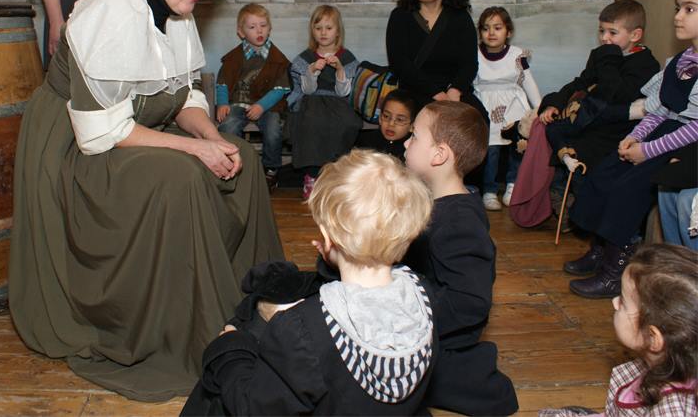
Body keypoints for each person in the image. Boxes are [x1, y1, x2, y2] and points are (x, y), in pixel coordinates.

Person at [9, 0, 284, 401]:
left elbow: (184, 100)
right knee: (180, 175)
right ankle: (198, 330)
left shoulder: (176, 11)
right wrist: (193, 148)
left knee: (238, 154)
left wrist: (212, 138)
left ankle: (253, 302)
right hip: (75, 147)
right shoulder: (110, 11)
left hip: (135, 130)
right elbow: (101, 133)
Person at [181, 150, 436, 416]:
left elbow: (254, 408)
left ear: (326, 238)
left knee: (215, 384)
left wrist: (231, 349)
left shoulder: (303, 329)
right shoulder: (423, 294)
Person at [567, 0, 698, 299]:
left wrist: (648, 150)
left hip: (686, 142)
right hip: (661, 132)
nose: (677, 17)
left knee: (629, 187)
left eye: (689, 9)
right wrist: (633, 139)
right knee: (605, 171)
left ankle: (617, 268)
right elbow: (658, 110)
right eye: (677, 8)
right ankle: (600, 248)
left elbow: (694, 127)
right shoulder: (679, 62)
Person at [402, 101, 519, 416]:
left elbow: (469, 301)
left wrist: (405, 317)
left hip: (440, 336)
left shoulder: (458, 223)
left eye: (413, 136)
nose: (405, 142)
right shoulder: (438, 202)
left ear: (439, 155)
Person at [540, 244, 697, 416]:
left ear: (653, 338)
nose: (615, 302)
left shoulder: (668, 410)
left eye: (623, 302)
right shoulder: (669, 365)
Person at [538, 0, 659, 219]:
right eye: (602, 31)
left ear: (635, 35)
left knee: (585, 153)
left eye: (612, 32)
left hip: (619, 128)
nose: (605, 38)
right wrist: (555, 102)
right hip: (593, 118)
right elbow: (581, 83)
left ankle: (586, 211)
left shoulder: (645, 63)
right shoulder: (600, 54)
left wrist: (610, 59)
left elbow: (620, 94)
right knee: (557, 132)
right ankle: (563, 200)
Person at [386, 0, 488, 120]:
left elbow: (469, 64)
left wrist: (455, 91)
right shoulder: (400, 16)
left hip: (453, 92)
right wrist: (437, 95)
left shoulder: (460, 18)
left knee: (477, 119)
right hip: (413, 92)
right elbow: (399, 64)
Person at [287, 5, 363, 198]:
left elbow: (344, 91)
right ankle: (311, 176)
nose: (323, 32)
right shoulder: (305, 57)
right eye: (318, 27)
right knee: (311, 123)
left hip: (337, 102)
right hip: (312, 101)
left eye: (329, 28)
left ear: (337, 31)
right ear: (312, 31)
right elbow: (306, 89)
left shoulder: (346, 57)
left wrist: (339, 70)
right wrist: (312, 71)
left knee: (346, 123)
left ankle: (335, 177)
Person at [216, 3, 291, 190]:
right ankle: (235, 164)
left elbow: (281, 88)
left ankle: (271, 169)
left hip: (267, 105)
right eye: (252, 27)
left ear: (270, 28)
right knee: (228, 125)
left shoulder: (277, 59)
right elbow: (223, 82)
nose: (259, 30)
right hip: (238, 102)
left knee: (274, 129)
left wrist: (261, 106)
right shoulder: (233, 58)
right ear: (241, 32)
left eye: (263, 25)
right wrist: (222, 103)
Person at [473, 6, 541, 210]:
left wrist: (539, 107)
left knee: (517, 147)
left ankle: (513, 184)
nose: (491, 33)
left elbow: (527, 81)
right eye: (486, 28)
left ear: (508, 32)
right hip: (486, 105)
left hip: (513, 103)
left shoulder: (516, 55)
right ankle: (489, 190)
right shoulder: (474, 54)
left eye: (497, 27)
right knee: (490, 149)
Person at [355, 89, 417, 161]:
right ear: (380, 118)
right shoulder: (364, 141)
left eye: (399, 119)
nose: (391, 124)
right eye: (386, 116)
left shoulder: (412, 151)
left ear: (412, 126)